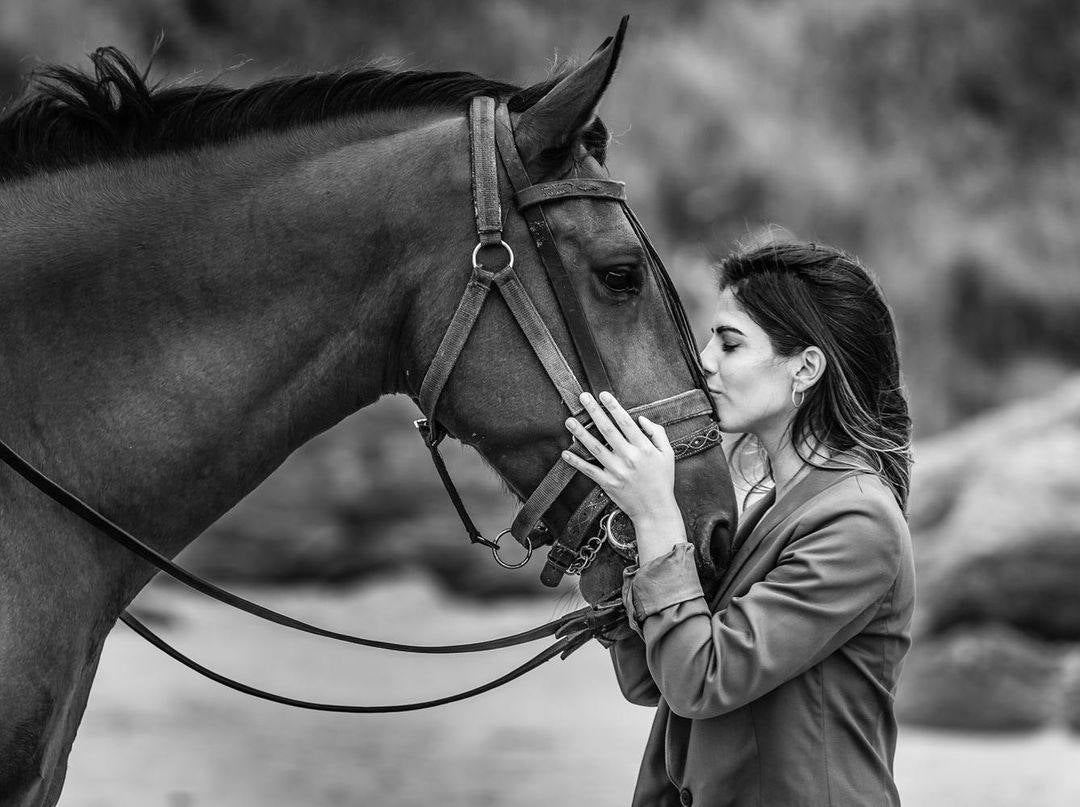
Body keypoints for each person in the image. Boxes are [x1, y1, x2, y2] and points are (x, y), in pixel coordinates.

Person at [560, 241, 916, 806]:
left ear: (806, 367)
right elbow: (653, 681)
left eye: (729, 342)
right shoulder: (775, 509)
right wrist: (618, 532)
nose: (704, 359)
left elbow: (701, 679)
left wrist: (658, 516)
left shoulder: (856, 521)